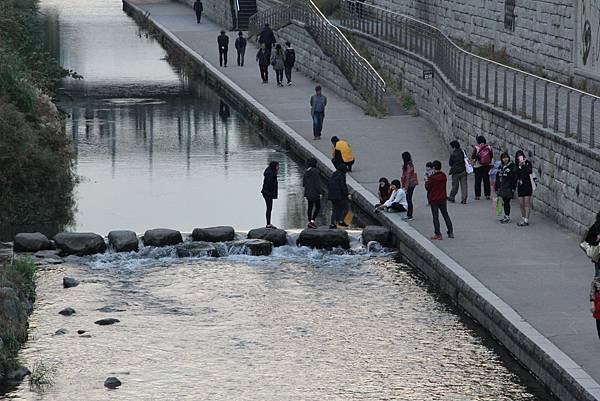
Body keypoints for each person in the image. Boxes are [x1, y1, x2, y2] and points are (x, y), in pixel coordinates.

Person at [425, 160, 454, 240]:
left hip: (434, 199)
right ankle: (450, 232)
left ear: (434, 167)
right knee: (445, 215)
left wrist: (427, 180)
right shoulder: (443, 176)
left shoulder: (432, 178)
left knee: (435, 217)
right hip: (442, 198)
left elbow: (428, 187)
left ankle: (438, 234)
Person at [495, 152, 517, 224]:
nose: (505, 159)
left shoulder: (512, 166)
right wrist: (496, 187)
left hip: (508, 187)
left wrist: (513, 188)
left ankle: (507, 216)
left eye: (506, 157)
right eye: (503, 158)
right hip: (502, 187)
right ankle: (506, 215)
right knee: (504, 201)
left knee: (507, 201)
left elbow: (514, 178)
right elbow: (497, 177)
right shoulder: (501, 167)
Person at [471, 135, 493, 200]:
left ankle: (477, 195)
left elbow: (473, 157)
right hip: (486, 166)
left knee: (478, 181)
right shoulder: (489, 147)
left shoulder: (477, 147)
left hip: (478, 166)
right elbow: (491, 156)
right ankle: (487, 195)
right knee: (486, 180)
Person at [327, 164, 349, 229]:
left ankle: (332, 223)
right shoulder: (342, 175)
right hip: (338, 195)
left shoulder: (334, 174)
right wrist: (347, 194)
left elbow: (328, 184)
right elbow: (343, 186)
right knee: (346, 207)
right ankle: (341, 221)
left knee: (335, 209)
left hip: (331, 195)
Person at [515, 149, 533, 227]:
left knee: (526, 202)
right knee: (521, 203)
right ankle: (523, 218)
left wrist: (524, 164)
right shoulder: (516, 165)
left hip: (527, 184)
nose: (520, 158)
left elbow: (529, 171)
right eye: (518, 157)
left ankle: (526, 220)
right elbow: (516, 175)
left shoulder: (528, 163)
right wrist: (519, 166)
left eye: (521, 156)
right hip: (520, 185)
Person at [303, 158, 322, 229]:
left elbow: (304, 184)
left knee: (310, 207)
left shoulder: (306, 172)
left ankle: (309, 221)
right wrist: (320, 192)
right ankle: (312, 220)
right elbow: (317, 183)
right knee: (318, 207)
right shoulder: (316, 171)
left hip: (308, 192)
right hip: (315, 192)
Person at [261, 161, 279, 229]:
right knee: (269, 208)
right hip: (267, 193)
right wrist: (271, 193)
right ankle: (268, 224)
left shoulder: (270, 172)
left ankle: (268, 223)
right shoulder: (271, 174)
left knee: (269, 208)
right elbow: (269, 184)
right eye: (277, 166)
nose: (278, 168)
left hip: (266, 193)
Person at [401, 151, 418, 221]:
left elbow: (407, 177)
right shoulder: (410, 164)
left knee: (409, 199)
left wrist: (405, 188)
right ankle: (409, 214)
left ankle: (409, 215)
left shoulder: (408, 166)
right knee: (408, 199)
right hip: (412, 183)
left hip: (410, 184)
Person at [584, 212, 600, 277]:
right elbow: (588, 239)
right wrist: (597, 239)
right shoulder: (596, 227)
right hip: (598, 256)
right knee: (598, 276)